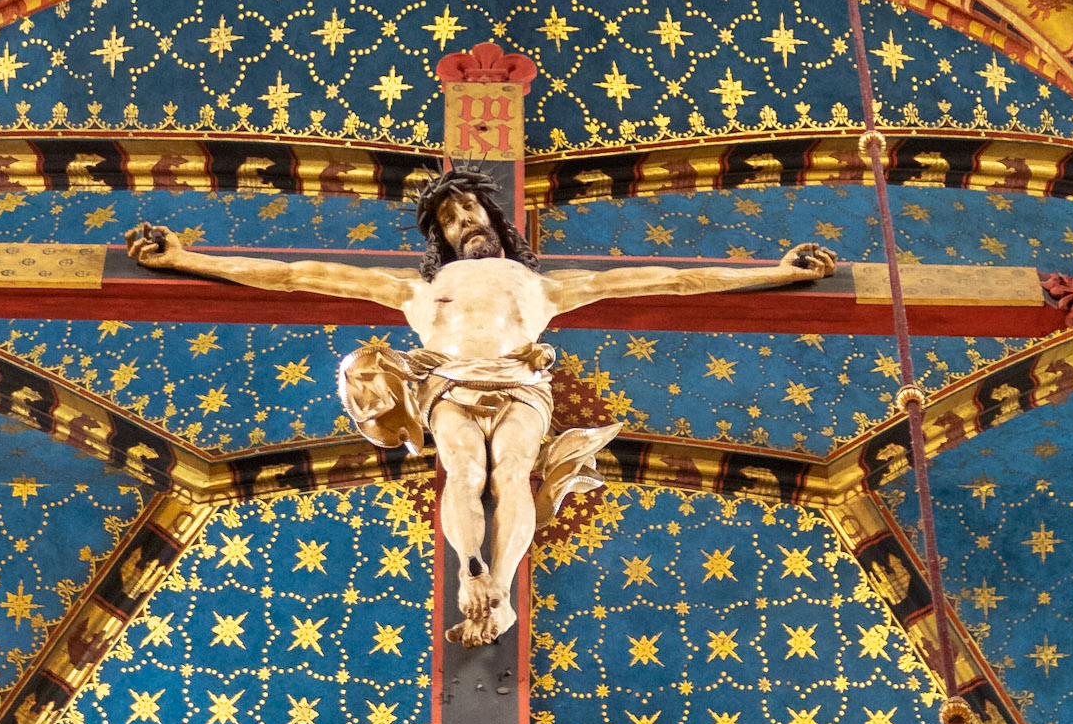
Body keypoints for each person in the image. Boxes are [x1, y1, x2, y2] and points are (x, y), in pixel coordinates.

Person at [127, 169, 835, 645]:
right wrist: (185, 259)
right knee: (465, 472)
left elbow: (666, 282)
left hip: (522, 381)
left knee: (513, 475)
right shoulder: (414, 291)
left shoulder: (546, 288)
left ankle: (501, 590)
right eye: (449, 217)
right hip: (450, 382)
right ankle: (473, 568)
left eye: (470, 208)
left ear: (493, 217)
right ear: (439, 236)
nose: (463, 220)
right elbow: (291, 274)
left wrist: (774, 273)